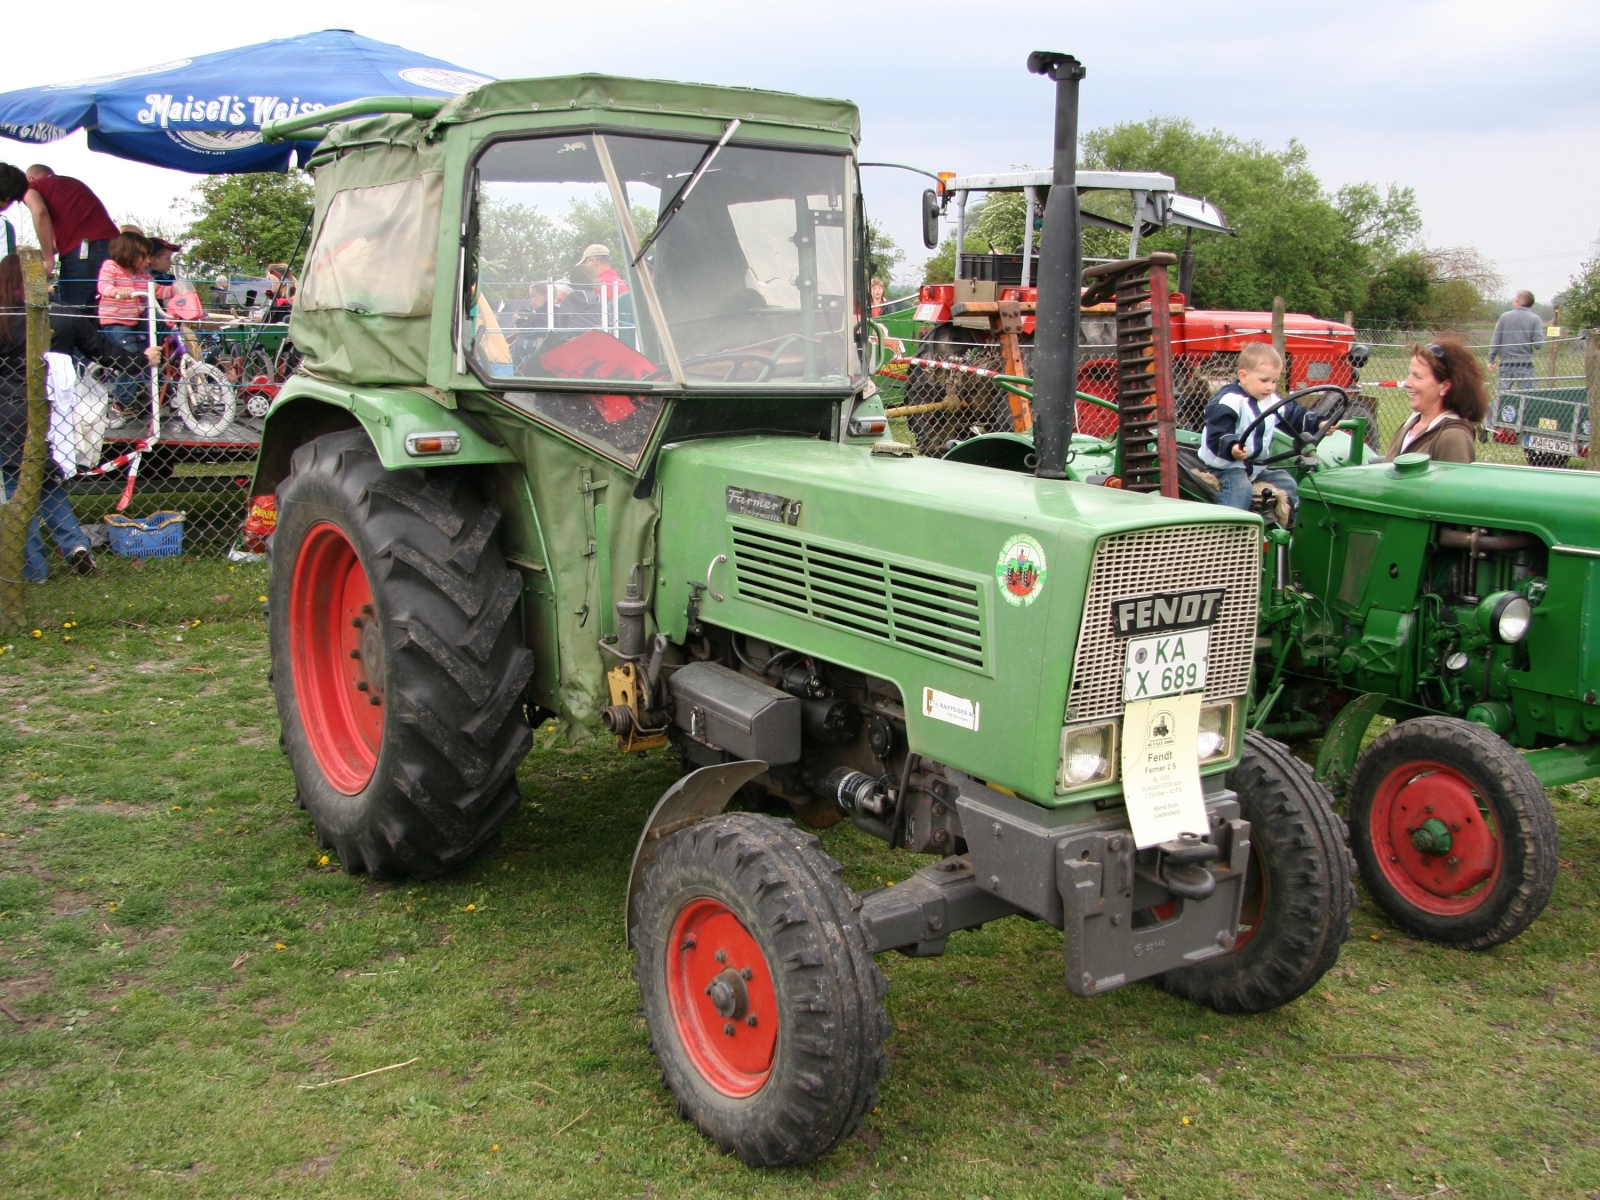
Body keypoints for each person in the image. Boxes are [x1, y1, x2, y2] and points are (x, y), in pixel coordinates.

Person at [0, 254, 160, 578]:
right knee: (47, 481)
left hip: (7, 411)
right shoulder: (64, 313)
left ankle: (35, 570)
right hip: (52, 412)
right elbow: (104, 351)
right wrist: (142, 360)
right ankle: (75, 545)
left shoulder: (4, 317)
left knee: (19, 488)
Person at [1198, 342, 1327, 515]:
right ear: (1243, 376)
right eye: (1264, 380)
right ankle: (1228, 530)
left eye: (1275, 381)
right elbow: (1218, 434)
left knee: (1287, 481)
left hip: (1256, 468)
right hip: (1225, 467)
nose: (1271, 387)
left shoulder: (1270, 401)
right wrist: (1232, 447)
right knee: (1240, 487)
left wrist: (1318, 423)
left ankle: (1294, 526)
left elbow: (1295, 416)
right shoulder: (1229, 401)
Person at [0, 164, 119, 316]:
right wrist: (44, 255)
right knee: (109, 309)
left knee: (73, 312)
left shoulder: (30, 187)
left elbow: (40, 211)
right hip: (114, 247)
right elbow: (71, 233)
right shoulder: (71, 184)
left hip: (83, 252)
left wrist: (48, 259)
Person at [1382, 337, 1484, 463]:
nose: (1407, 383)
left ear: (1445, 386)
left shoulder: (1453, 437)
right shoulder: (1407, 426)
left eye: (1418, 377)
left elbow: (1454, 481)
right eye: (1410, 374)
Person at [1489, 290, 1544, 423]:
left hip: (1506, 364)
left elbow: (1496, 339)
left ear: (1518, 302)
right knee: (1527, 397)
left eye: (1515, 299)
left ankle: (1491, 422)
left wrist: (1492, 359)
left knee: (1501, 396)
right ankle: (1524, 423)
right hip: (1525, 365)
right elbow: (1538, 345)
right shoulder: (1535, 319)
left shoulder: (1504, 317)